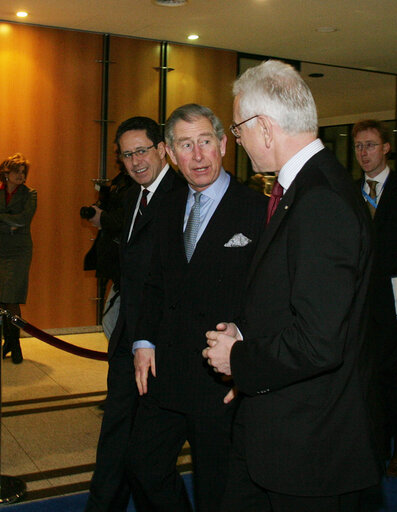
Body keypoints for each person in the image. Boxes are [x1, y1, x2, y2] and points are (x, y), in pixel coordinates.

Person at [203, 60, 382, 511]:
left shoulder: (320, 199)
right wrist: (243, 332)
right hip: (277, 426)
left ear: (263, 126)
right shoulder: (306, 187)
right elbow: (290, 301)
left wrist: (238, 357)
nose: (238, 142)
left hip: (307, 445)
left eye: (239, 129)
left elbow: (321, 341)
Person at [127, 104, 267, 512]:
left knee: (217, 487)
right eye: (186, 145)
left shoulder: (257, 210)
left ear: (223, 144)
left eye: (206, 141)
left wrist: (244, 351)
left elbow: (270, 296)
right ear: (170, 154)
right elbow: (152, 282)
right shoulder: (166, 208)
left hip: (219, 378)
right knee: (143, 464)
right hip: (165, 369)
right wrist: (143, 339)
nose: (198, 155)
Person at [86, 117, 180, 511]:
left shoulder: (184, 196)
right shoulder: (129, 199)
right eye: (127, 154)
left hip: (166, 343)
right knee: (116, 435)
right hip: (129, 335)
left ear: (162, 149)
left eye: (142, 150)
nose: (136, 161)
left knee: (148, 454)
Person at [353, 119, 397, 477]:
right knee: (370, 374)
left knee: (387, 371)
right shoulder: (351, 192)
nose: (364, 152)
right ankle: (377, 446)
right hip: (361, 302)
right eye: (359, 146)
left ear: (386, 148)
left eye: (370, 145)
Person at [0, 153, 37, 364]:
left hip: (18, 251)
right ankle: (8, 342)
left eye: (23, 172)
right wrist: (6, 224)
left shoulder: (31, 194)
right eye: (17, 172)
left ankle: (15, 344)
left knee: (11, 297)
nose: (21, 176)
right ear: (6, 173)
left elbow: (23, 219)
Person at [84, 161, 134, 340]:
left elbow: (125, 221)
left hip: (128, 265)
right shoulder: (121, 180)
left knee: (111, 322)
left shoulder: (137, 184)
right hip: (116, 262)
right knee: (112, 322)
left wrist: (103, 218)